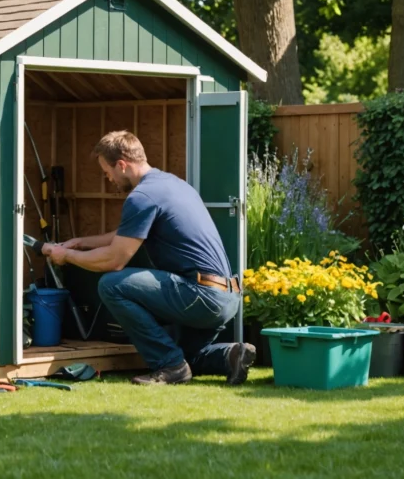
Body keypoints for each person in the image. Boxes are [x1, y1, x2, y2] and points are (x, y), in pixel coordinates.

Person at [40, 130, 255, 385]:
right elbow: (127, 233)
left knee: (112, 284)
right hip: (226, 297)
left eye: (107, 172)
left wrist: (67, 256)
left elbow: (114, 260)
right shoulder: (170, 184)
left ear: (122, 165)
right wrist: (81, 242)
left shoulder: (141, 197)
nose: (108, 179)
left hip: (200, 296)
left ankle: (169, 366)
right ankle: (232, 354)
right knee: (188, 356)